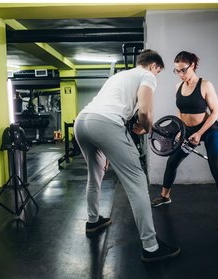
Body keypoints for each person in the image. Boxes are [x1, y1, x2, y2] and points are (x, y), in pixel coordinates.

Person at [74, 49, 180, 262]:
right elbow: (144, 111)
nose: (156, 76)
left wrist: (139, 124)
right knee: (137, 181)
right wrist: (147, 127)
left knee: (94, 175)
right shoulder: (148, 76)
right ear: (153, 66)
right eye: (158, 71)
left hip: (82, 122)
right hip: (105, 124)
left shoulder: (118, 76)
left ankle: (93, 220)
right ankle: (151, 247)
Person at [151, 51, 218, 229]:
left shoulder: (205, 85)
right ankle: (165, 196)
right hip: (188, 132)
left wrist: (199, 134)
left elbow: (215, 113)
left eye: (183, 70)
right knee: (172, 161)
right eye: (177, 71)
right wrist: (180, 131)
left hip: (209, 130)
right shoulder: (178, 87)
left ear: (193, 66)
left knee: (216, 168)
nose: (181, 74)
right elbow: (180, 113)